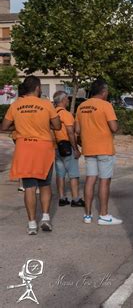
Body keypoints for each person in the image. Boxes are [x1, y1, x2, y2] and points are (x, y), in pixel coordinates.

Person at [1, 76, 61, 235]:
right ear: (37, 88)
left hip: (24, 148)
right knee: (45, 185)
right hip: (43, 149)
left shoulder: (16, 105)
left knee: (29, 187)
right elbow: (57, 125)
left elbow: (4, 126)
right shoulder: (46, 104)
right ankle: (46, 218)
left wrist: (19, 126)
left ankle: (32, 224)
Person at [75, 79, 121, 225]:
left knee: (90, 179)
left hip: (88, 149)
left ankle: (87, 216)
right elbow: (114, 127)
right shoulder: (106, 105)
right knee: (104, 181)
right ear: (103, 91)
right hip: (104, 149)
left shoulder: (81, 106)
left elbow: (77, 130)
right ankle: (103, 215)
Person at [52, 91, 84, 207]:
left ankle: (62, 198)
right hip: (67, 147)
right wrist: (76, 149)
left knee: (60, 174)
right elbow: (70, 132)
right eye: (67, 98)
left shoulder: (52, 113)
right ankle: (75, 199)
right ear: (63, 100)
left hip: (56, 147)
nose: (68, 100)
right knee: (73, 173)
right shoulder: (66, 114)